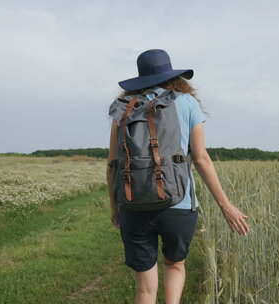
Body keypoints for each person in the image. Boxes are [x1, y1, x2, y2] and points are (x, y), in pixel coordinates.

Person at [106, 49, 250, 304]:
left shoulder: (123, 108)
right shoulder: (186, 103)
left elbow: (113, 163)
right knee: (174, 265)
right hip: (179, 203)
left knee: (144, 290)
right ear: (172, 75)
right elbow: (201, 158)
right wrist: (226, 206)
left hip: (133, 203)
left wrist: (115, 206)